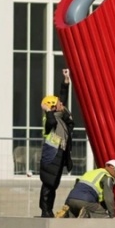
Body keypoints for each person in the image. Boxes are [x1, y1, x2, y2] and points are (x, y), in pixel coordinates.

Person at [38, 68, 75, 217]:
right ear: (53, 107)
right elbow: (51, 122)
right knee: (48, 184)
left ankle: (49, 210)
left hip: (59, 154)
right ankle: (45, 210)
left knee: (53, 184)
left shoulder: (59, 116)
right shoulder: (50, 119)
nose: (61, 104)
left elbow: (62, 98)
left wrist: (66, 81)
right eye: (58, 103)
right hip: (52, 155)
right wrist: (47, 111)